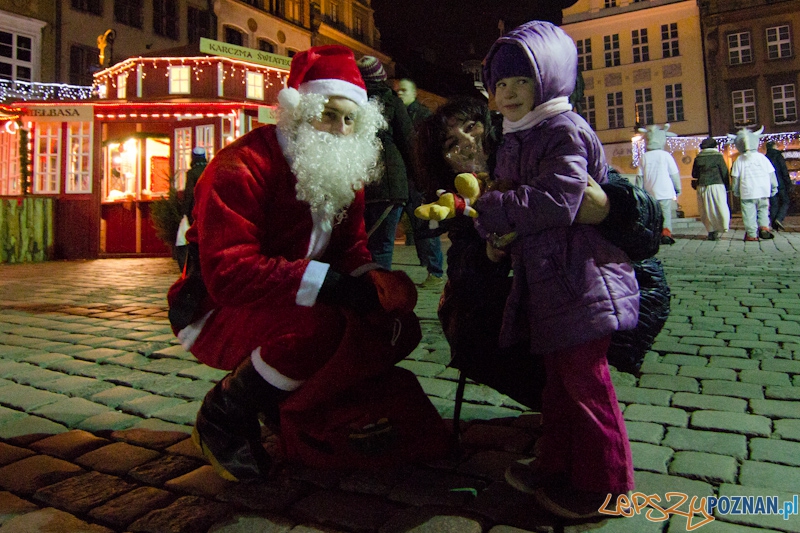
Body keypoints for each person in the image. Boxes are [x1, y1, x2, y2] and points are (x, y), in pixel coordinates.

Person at [166, 45, 432, 482]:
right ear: (299, 109)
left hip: (292, 295)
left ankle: (292, 407)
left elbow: (351, 248)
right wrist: (331, 287)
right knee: (316, 330)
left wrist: (374, 282)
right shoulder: (241, 166)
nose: (339, 130)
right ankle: (225, 415)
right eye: (328, 114)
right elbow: (229, 273)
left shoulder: (341, 170)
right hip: (218, 307)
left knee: (395, 324)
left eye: (351, 120)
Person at [475, 21, 639, 519]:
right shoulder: (517, 135)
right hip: (549, 281)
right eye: (500, 84)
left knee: (585, 383)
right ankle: (558, 464)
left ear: (549, 79)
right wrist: (493, 231)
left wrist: (492, 210)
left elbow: (556, 200)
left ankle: (606, 484)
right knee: (558, 384)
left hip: (582, 277)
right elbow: (507, 194)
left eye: (521, 81)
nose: (508, 93)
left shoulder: (563, 128)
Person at [355, 56, 412, 270]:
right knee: (382, 246)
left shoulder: (352, 103)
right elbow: (408, 141)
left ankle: (367, 292)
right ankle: (379, 295)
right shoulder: (393, 102)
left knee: (362, 245)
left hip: (359, 184)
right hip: (390, 183)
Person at [395, 78, 445, 287]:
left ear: (414, 93)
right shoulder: (397, 114)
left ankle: (435, 272)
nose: (399, 94)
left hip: (418, 180)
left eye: (404, 90)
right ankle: (429, 266)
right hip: (402, 179)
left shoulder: (423, 115)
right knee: (416, 228)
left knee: (424, 226)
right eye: (397, 90)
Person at [636, 124, 682, 245]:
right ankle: (666, 234)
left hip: (650, 191)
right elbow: (674, 174)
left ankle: (654, 234)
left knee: (653, 215)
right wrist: (678, 188)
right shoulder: (666, 155)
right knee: (666, 213)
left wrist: (639, 191)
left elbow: (639, 177)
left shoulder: (644, 157)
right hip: (665, 190)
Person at [731, 127, 778, 241]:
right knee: (763, 209)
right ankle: (764, 227)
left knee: (749, 213)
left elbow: (735, 178)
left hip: (747, 191)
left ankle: (752, 234)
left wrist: (735, 191)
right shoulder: (762, 158)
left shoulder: (739, 160)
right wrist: (774, 187)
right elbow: (771, 174)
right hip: (763, 189)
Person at [691, 136, 731, 241]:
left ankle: (711, 231)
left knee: (705, 209)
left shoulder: (698, 157)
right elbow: (724, 172)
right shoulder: (718, 156)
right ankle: (721, 227)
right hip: (717, 185)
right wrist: (727, 186)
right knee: (719, 207)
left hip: (702, 185)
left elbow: (694, 174)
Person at [175, 147, 208, 269]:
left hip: (197, 208)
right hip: (210, 206)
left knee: (195, 236)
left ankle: (196, 264)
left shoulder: (192, 173)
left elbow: (189, 193)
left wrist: (184, 212)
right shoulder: (210, 169)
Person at [766, 141, 792, 231]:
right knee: (786, 201)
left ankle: (774, 224)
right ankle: (779, 218)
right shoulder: (778, 156)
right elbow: (784, 170)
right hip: (780, 183)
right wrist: (788, 183)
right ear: (774, 146)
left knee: (774, 204)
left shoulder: (765, 158)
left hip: (769, 184)